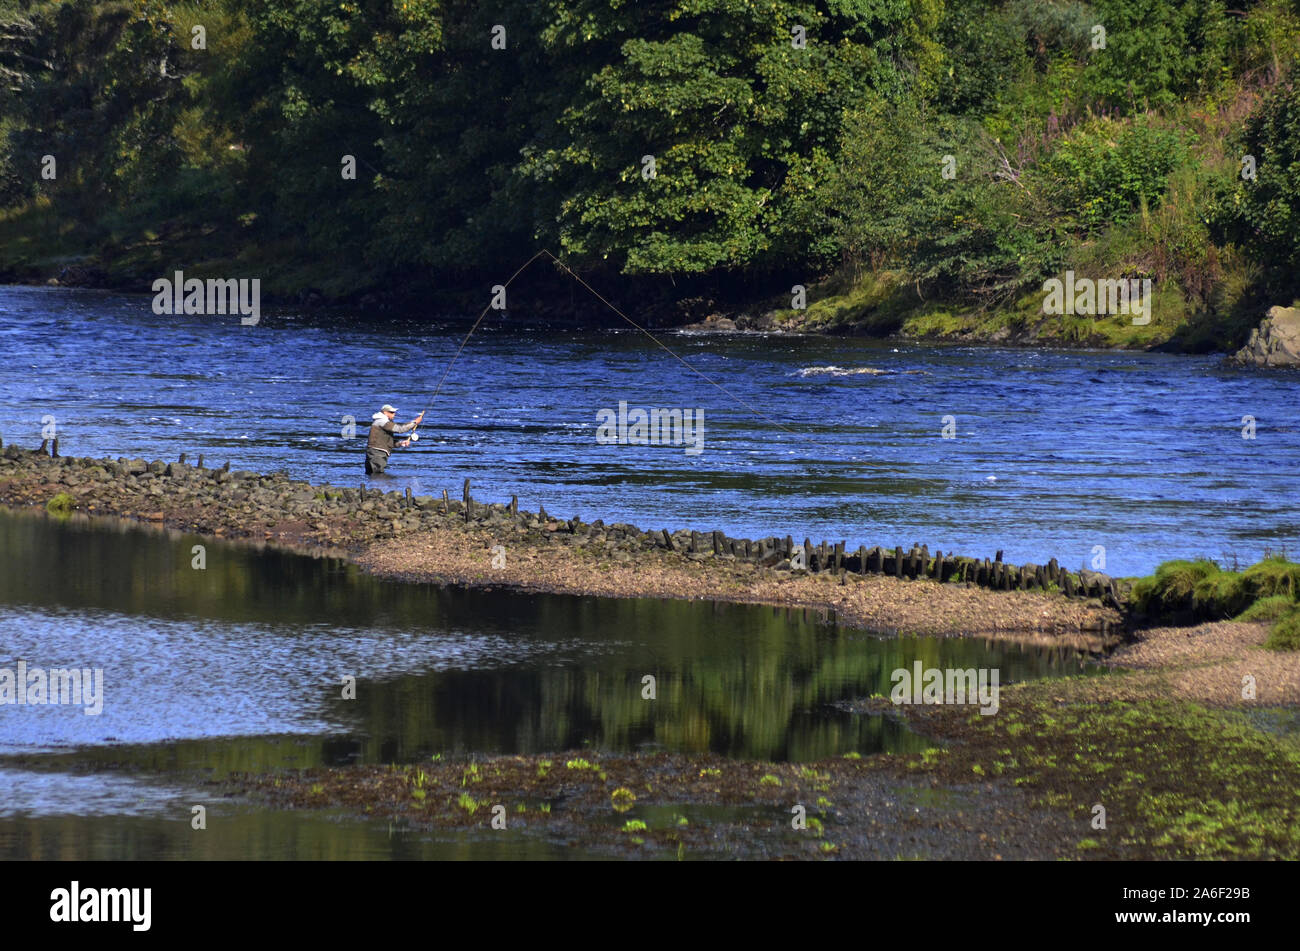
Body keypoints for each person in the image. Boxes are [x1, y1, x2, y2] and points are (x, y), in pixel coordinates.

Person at [365, 404, 424, 474]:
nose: (394, 414)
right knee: (378, 476)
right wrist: (414, 422)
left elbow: (388, 441)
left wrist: (401, 443)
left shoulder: (382, 422)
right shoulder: (382, 421)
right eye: (391, 412)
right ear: (385, 412)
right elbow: (400, 429)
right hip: (377, 453)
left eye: (394, 412)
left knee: (372, 476)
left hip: (375, 452)